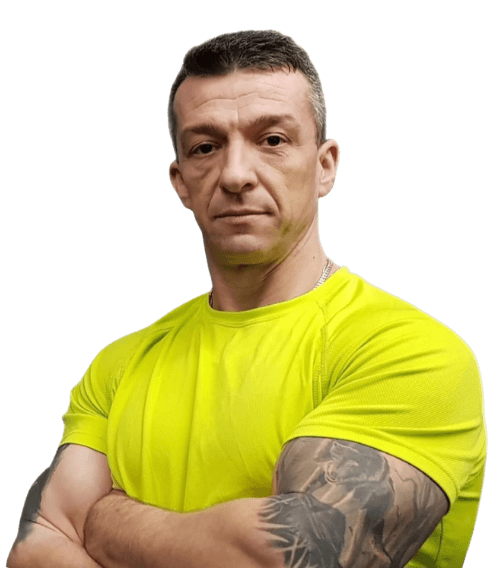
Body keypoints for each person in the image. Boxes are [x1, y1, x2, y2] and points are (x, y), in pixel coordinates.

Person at [7, 29, 486, 568]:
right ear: (180, 181)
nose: (235, 175)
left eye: (272, 140)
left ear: (325, 165)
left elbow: (283, 559)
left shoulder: (412, 352)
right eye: (205, 147)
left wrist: (105, 519)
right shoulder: (118, 366)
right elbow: (37, 550)